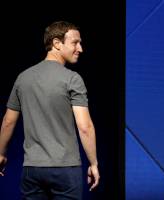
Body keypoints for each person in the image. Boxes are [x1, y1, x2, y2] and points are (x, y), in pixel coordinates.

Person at [0, 21, 100, 200]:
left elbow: (8, 122)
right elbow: (85, 127)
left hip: (32, 170)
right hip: (66, 171)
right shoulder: (72, 79)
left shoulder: (23, 78)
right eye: (75, 42)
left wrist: (0, 154)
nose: (80, 49)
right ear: (56, 43)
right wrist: (93, 163)